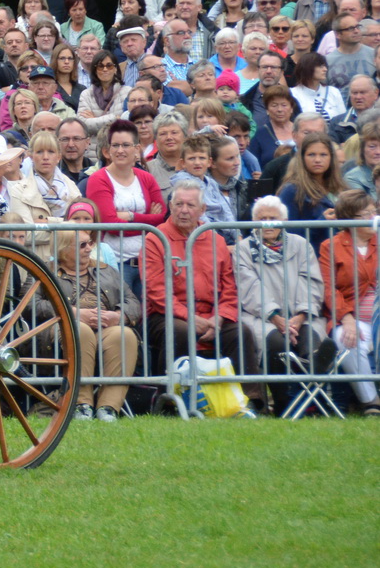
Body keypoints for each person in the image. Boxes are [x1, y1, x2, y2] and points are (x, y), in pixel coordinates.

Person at [139, 182, 259, 396]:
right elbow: (157, 293)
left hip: (211, 315)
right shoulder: (155, 239)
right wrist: (190, 317)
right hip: (165, 315)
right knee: (180, 331)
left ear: (202, 210)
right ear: (170, 206)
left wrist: (220, 318)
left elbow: (229, 287)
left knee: (241, 333)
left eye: (190, 205)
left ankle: (250, 400)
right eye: (179, 204)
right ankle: (171, 399)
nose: (184, 210)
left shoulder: (216, 240)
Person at [232, 195, 324, 417]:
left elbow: (310, 280)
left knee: (311, 339)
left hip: (301, 314)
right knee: (275, 341)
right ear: (254, 221)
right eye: (262, 218)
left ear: (283, 220)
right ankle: (284, 404)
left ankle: (310, 399)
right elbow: (250, 286)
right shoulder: (243, 249)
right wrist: (275, 316)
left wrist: (300, 316)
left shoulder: (300, 244)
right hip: (261, 316)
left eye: (273, 218)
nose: (268, 223)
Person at [51, 230, 140, 421]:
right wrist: (73, 313)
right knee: (80, 330)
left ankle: (108, 407)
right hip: (62, 328)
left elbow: (133, 302)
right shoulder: (45, 271)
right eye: (82, 245)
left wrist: (117, 316)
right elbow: (31, 305)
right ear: (64, 249)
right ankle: (82, 404)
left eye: (90, 243)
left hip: (104, 328)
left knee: (123, 334)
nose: (89, 248)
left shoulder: (106, 270)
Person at [85, 119, 167, 299]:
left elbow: (161, 218)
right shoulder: (98, 179)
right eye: (115, 145)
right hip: (117, 263)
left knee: (149, 317)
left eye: (125, 145)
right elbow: (110, 225)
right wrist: (146, 221)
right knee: (124, 315)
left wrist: (129, 216)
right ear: (108, 150)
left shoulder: (146, 178)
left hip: (149, 261)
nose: (120, 150)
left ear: (137, 149)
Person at [318, 189, 380, 415]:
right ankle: (371, 402)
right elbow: (328, 287)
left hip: (378, 316)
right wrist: (347, 318)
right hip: (353, 316)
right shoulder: (330, 246)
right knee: (348, 341)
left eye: (374, 212)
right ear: (348, 219)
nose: (372, 218)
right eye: (364, 214)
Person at [277, 131, 346, 254]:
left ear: (331, 158)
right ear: (302, 158)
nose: (317, 160)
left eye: (323, 155)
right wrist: (320, 223)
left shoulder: (341, 188)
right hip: (308, 260)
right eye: (311, 155)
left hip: (339, 259)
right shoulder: (291, 190)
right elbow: (285, 233)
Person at [248, 84, 301, 169]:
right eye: (274, 105)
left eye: (284, 105)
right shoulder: (259, 135)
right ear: (267, 110)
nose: (279, 110)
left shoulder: (301, 131)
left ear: (291, 108)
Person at [28, 130, 78, 217]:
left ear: (59, 157)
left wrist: (47, 222)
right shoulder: (19, 190)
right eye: (39, 152)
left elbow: (78, 222)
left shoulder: (71, 186)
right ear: (31, 157)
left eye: (51, 152)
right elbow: (26, 228)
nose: (45, 157)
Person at [76, 50, 127, 134]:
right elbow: (83, 125)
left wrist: (94, 119)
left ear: (115, 69)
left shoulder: (126, 92)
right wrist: (114, 118)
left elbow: (125, 123)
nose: (105, 69)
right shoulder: (86, 94)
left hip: (118, 142)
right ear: (95, 70)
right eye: (100, 66)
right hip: (93, 145)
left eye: (109, 66)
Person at [323, 15, 375, 95]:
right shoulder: (327, 61)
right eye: (351, 28)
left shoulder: (374, 55)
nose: (356, 31)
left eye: (358, 27)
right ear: (338, 34)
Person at [290, 52, 346, 122]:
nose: (325, 69)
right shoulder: (292, 93)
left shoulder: (333, 91)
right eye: (320, 66)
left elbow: (342, 120)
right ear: (307, 67)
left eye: (325, 66)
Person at [328, 74, 377, 144]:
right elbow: (333, 150)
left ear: (376, 93)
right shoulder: (336, 122)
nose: (358, 97)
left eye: (363, 92)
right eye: (354, 93)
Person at [145, 109, 188, 184]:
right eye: (163, 134)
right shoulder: (147, 170)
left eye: (174, 133)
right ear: (156, 139)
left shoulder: (197, 165)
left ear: (185, 137)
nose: (169, 137)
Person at [341, 121, 380, 197]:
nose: (378, 152)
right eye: (372, 146)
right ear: (362, 149)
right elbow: (364, 207)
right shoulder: (352, 178)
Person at [56, 116, 97, 187]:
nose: (71, 145)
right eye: (65, 139)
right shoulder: (52, 175)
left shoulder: (97, 173)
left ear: (87, 142)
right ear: (57, 143)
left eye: (76, 139)